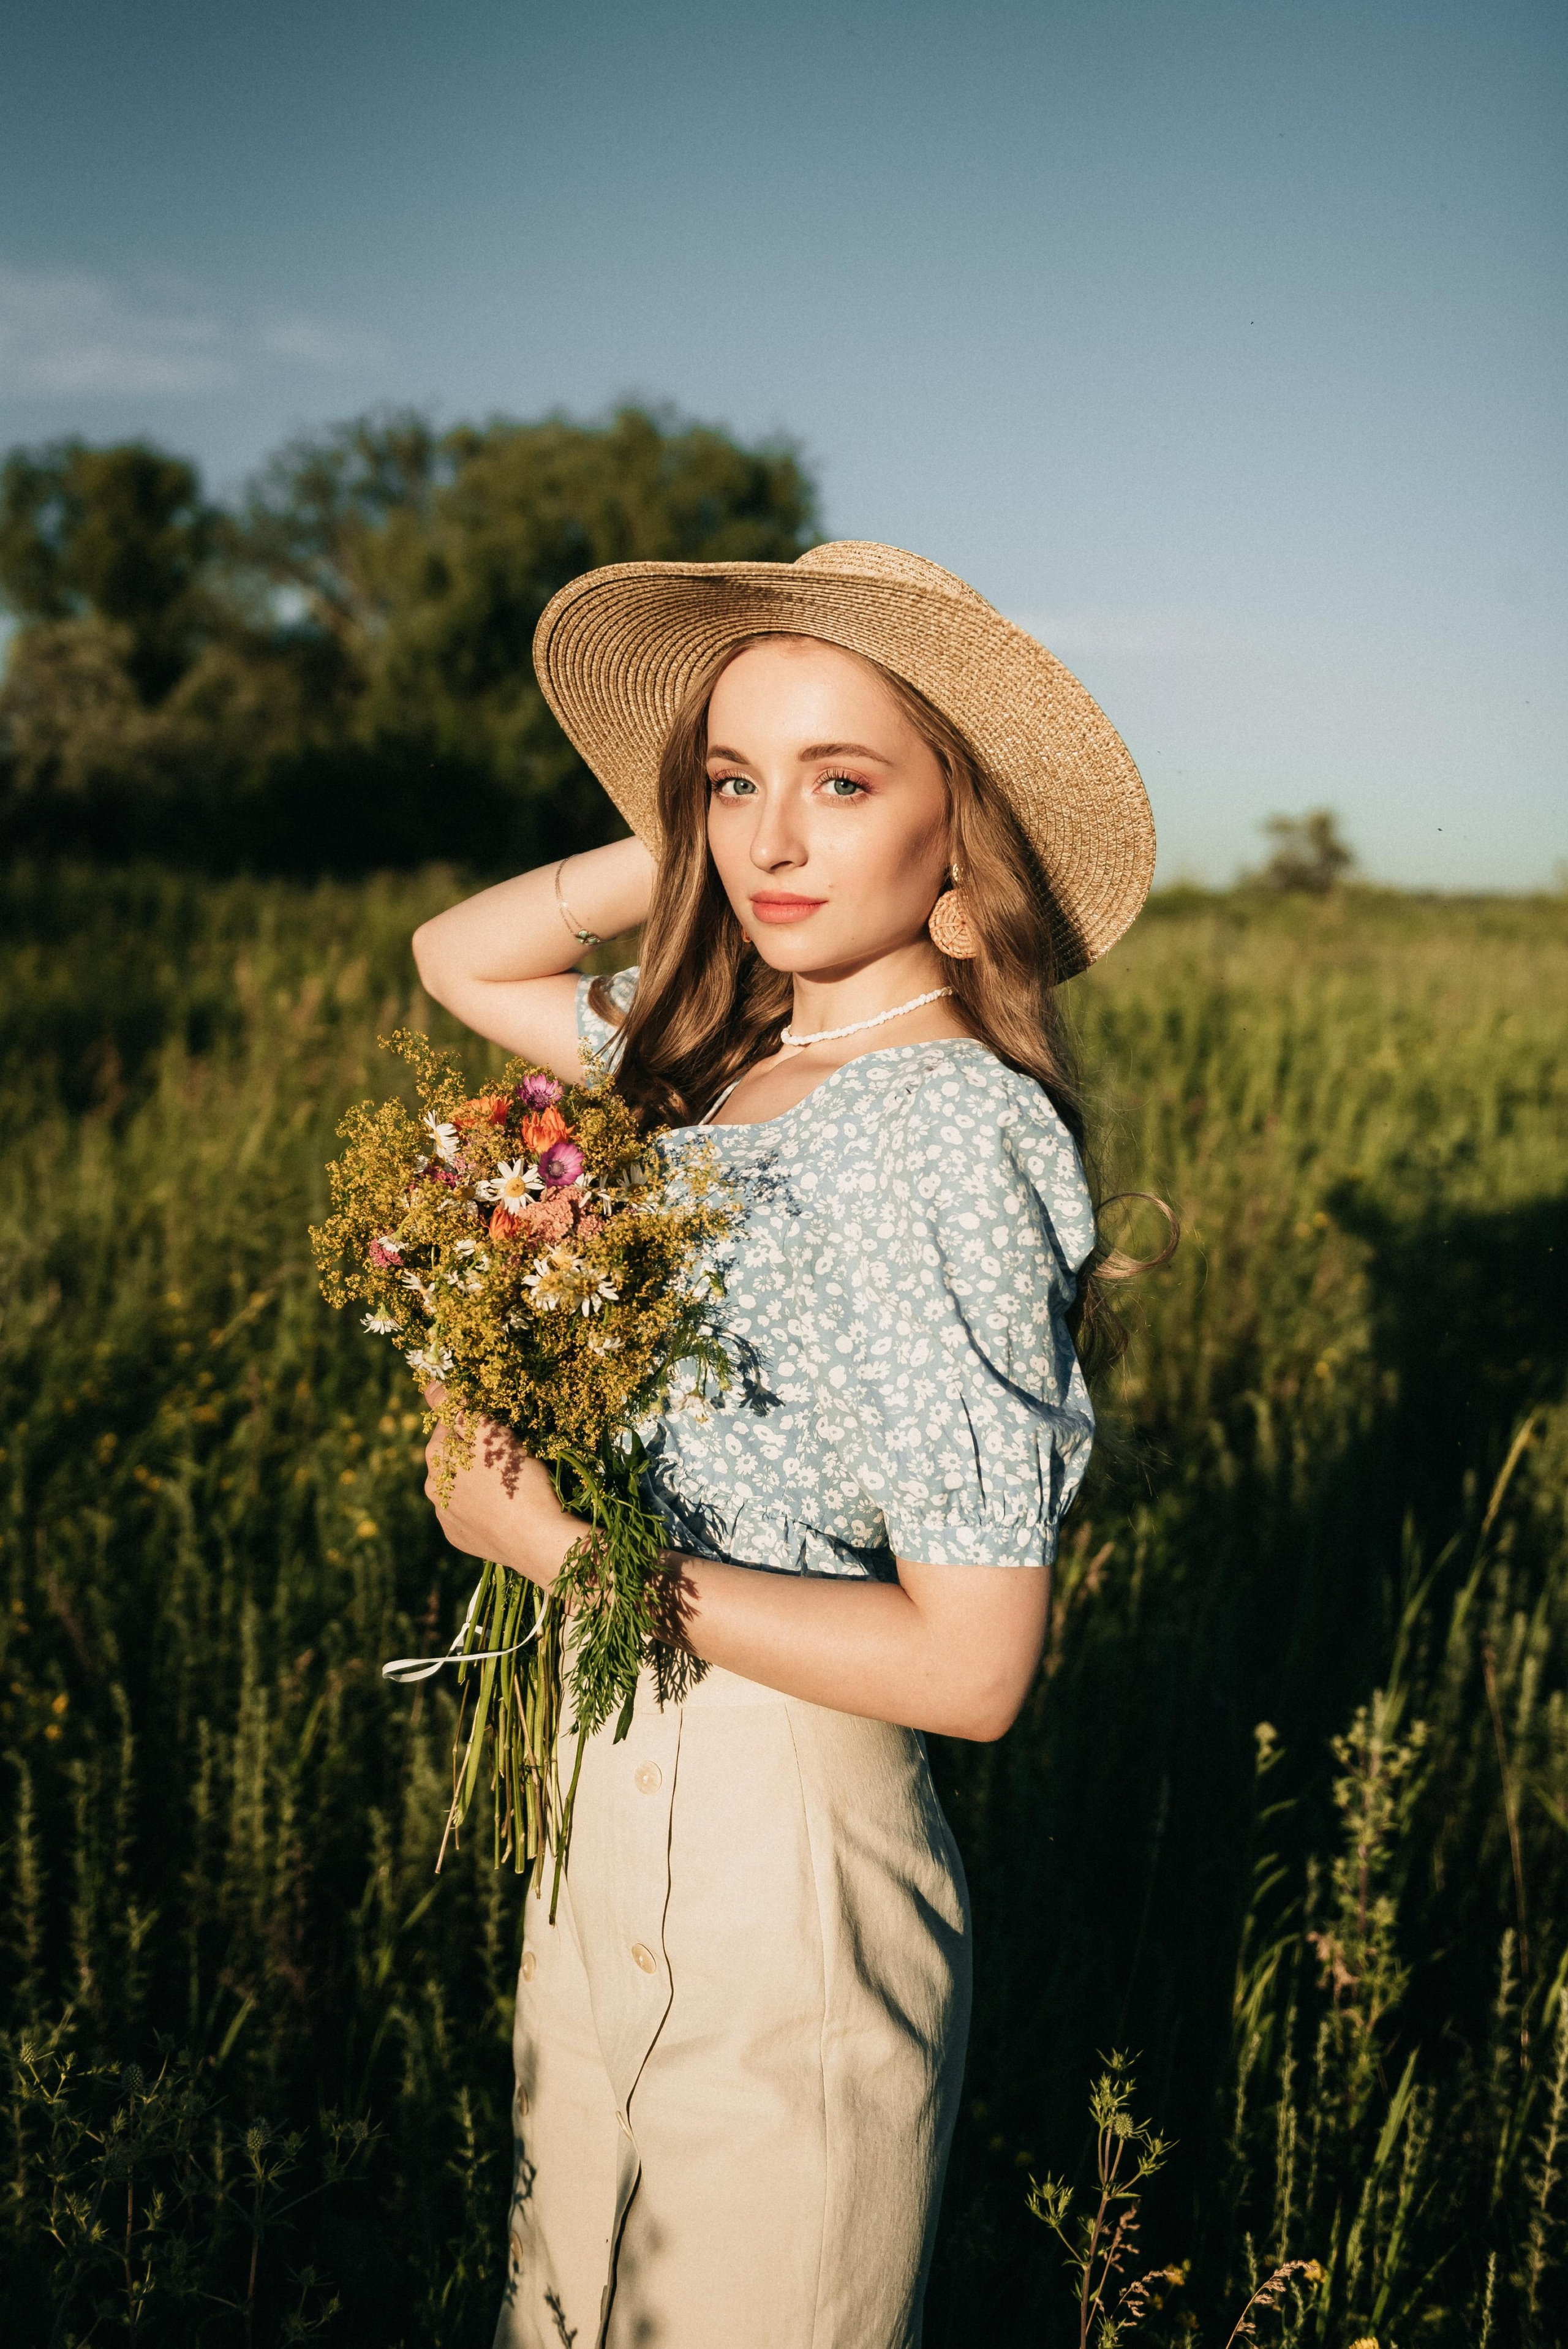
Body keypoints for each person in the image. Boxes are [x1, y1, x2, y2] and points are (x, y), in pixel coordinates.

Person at [410, 541, 1157, 2349]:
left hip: (787, 1846)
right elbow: (458, 954)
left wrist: (558, 1549)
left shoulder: (947, 1127)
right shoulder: (709, 1062)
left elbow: (973, 1668)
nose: (775, 841)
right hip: (608, 1789)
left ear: (960, 832)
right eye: (735, 782)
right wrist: (696, 842)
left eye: (844, 783)